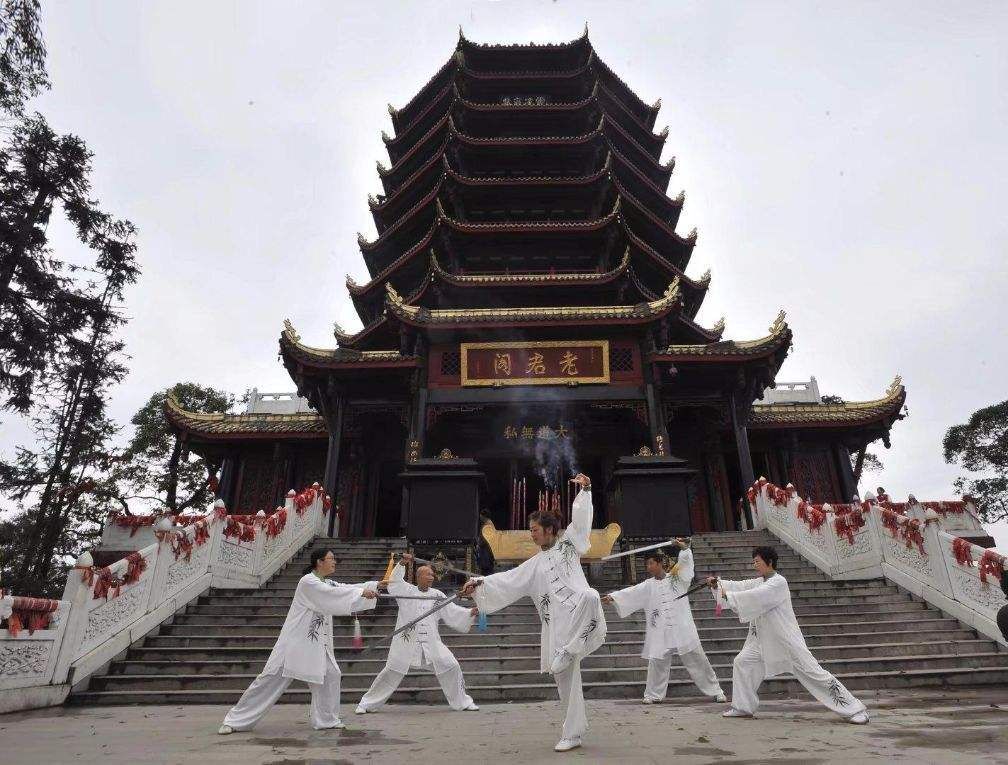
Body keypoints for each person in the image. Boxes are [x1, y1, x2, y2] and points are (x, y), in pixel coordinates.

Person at [460, 473, 606, 753]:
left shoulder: (569, 544)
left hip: (578, 617)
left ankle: (571, 648)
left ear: (550, 530)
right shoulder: (535, 564)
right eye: (530, 529)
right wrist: (478, 585)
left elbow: (582, 520)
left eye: (535, 529)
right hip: (556, 628)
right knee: (567, 683)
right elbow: (508, 580)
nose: (531, 533)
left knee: (590, 595)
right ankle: (573, 733)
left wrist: (586, 489)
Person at [217, 549, 379, 734]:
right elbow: (333, 593)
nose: (335, 562)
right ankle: (234, 721)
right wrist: (362, 593)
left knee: (331, 674)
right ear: (319, 562)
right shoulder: (308, 582)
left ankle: (327, 719)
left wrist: (374, 586)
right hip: (293, 645)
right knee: (268, 680)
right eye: (331, 559)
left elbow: (342, 588)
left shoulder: (326, 582)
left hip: (316, 647)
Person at [710, 545, 869, 724]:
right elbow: (741, 586)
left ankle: (854, 709)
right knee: (742, 662)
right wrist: (719, 584)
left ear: (769, 562)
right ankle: (742, 707)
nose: (754, 565)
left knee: (815, 674)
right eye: (753, 561)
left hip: (786, 641)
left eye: (757, 561)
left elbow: (756, 596)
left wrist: (727, 595)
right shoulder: (759, 581)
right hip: (762, 640)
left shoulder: (778, 582)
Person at [602, 540, 726, 704]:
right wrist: (614, 597)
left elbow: (686, 566)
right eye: (647, 564)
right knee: (656, 662)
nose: (648, 567)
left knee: (698, 660)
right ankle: (653, 695)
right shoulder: (648, 586)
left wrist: (685, 550)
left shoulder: (677, 579)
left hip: (682, 628)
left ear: (660, 563)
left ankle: (716, 691)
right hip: (661, 631)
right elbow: (631, 593)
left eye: (651, 563)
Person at [355, 553, 480, 714]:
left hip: (432, 643)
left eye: (433, 575)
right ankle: (366, 704)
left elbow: (452, 611)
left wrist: (470, 612)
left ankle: (463, 702)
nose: (431, 577)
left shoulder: (437, 595)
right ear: (418, 576)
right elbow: (394, 582)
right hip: (406, 643)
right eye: (428, 574)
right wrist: (401, 563)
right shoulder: (406, 591)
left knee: (451, 666)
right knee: (391, 672)